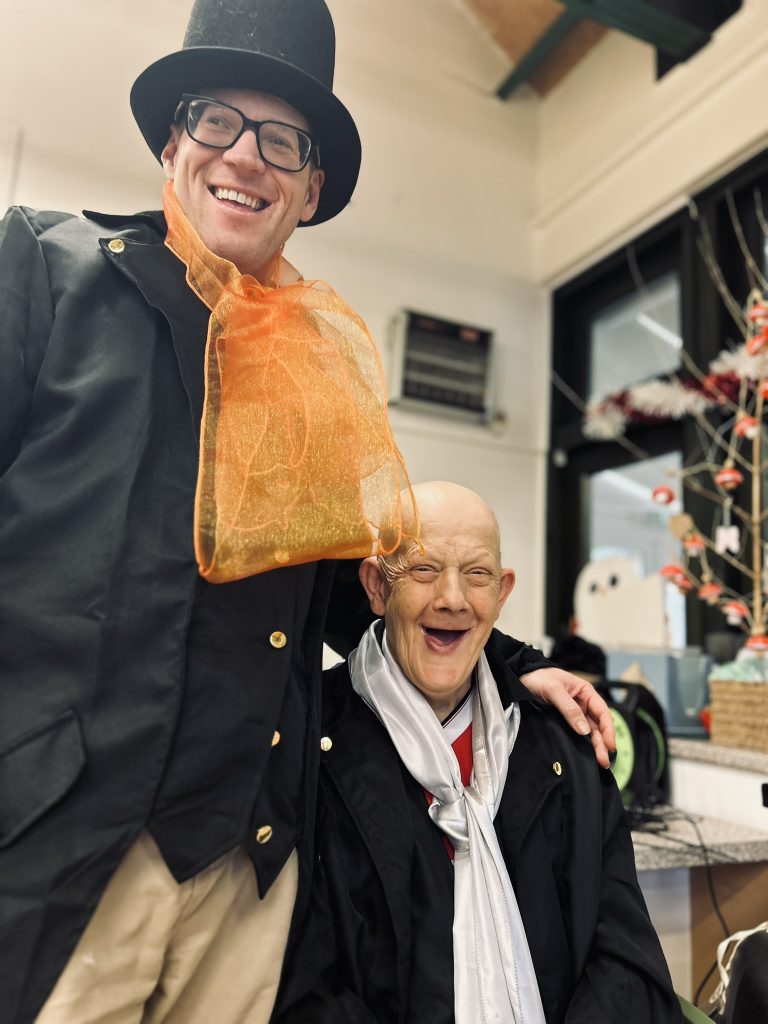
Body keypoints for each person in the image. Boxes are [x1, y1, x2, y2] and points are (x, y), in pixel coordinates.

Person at [0, 3, 615, 1022]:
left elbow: (356, 591)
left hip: (250, 875)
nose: (247, 157)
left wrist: (513, 665)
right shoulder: (42, 269)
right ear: (172, 140)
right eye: (216, 121)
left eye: (281, 139)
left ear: (311, 185)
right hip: (60, 850)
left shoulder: (321, 371)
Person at [276, 481, 680, 1024]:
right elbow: (303, 985)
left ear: (502, 591)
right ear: (375, 586)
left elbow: (625, 959)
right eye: (423, 570)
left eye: (477, 574)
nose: (453, 598)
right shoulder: (307, 747)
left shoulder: (562, 745)